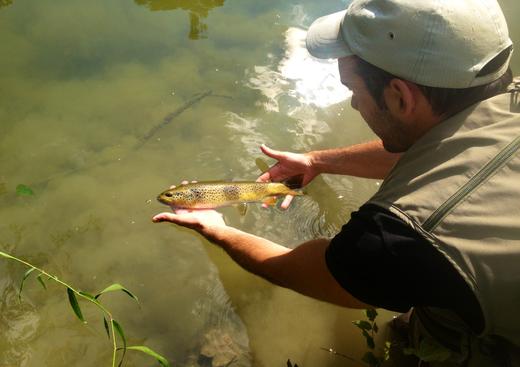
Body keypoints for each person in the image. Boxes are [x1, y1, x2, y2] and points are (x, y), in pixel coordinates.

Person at [153, 0, 520, 365]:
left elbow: (314, 272)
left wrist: (216, 228)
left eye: (353, 89)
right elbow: (442, 147)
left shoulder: (402, 233)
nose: (354, 106)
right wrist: (318, 161)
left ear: (400, 96)